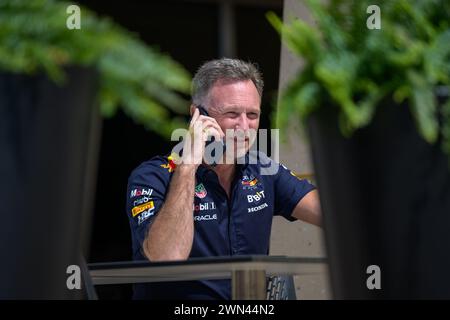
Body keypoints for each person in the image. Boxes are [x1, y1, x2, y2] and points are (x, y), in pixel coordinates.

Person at [126, 58, 321, 300]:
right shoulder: (151, 176)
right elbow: (167, 256)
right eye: (232, 114)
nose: (244, 127)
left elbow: (334, 215)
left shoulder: (263, 170)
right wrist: (188, 166)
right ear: (197, 114)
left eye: (252, 114)